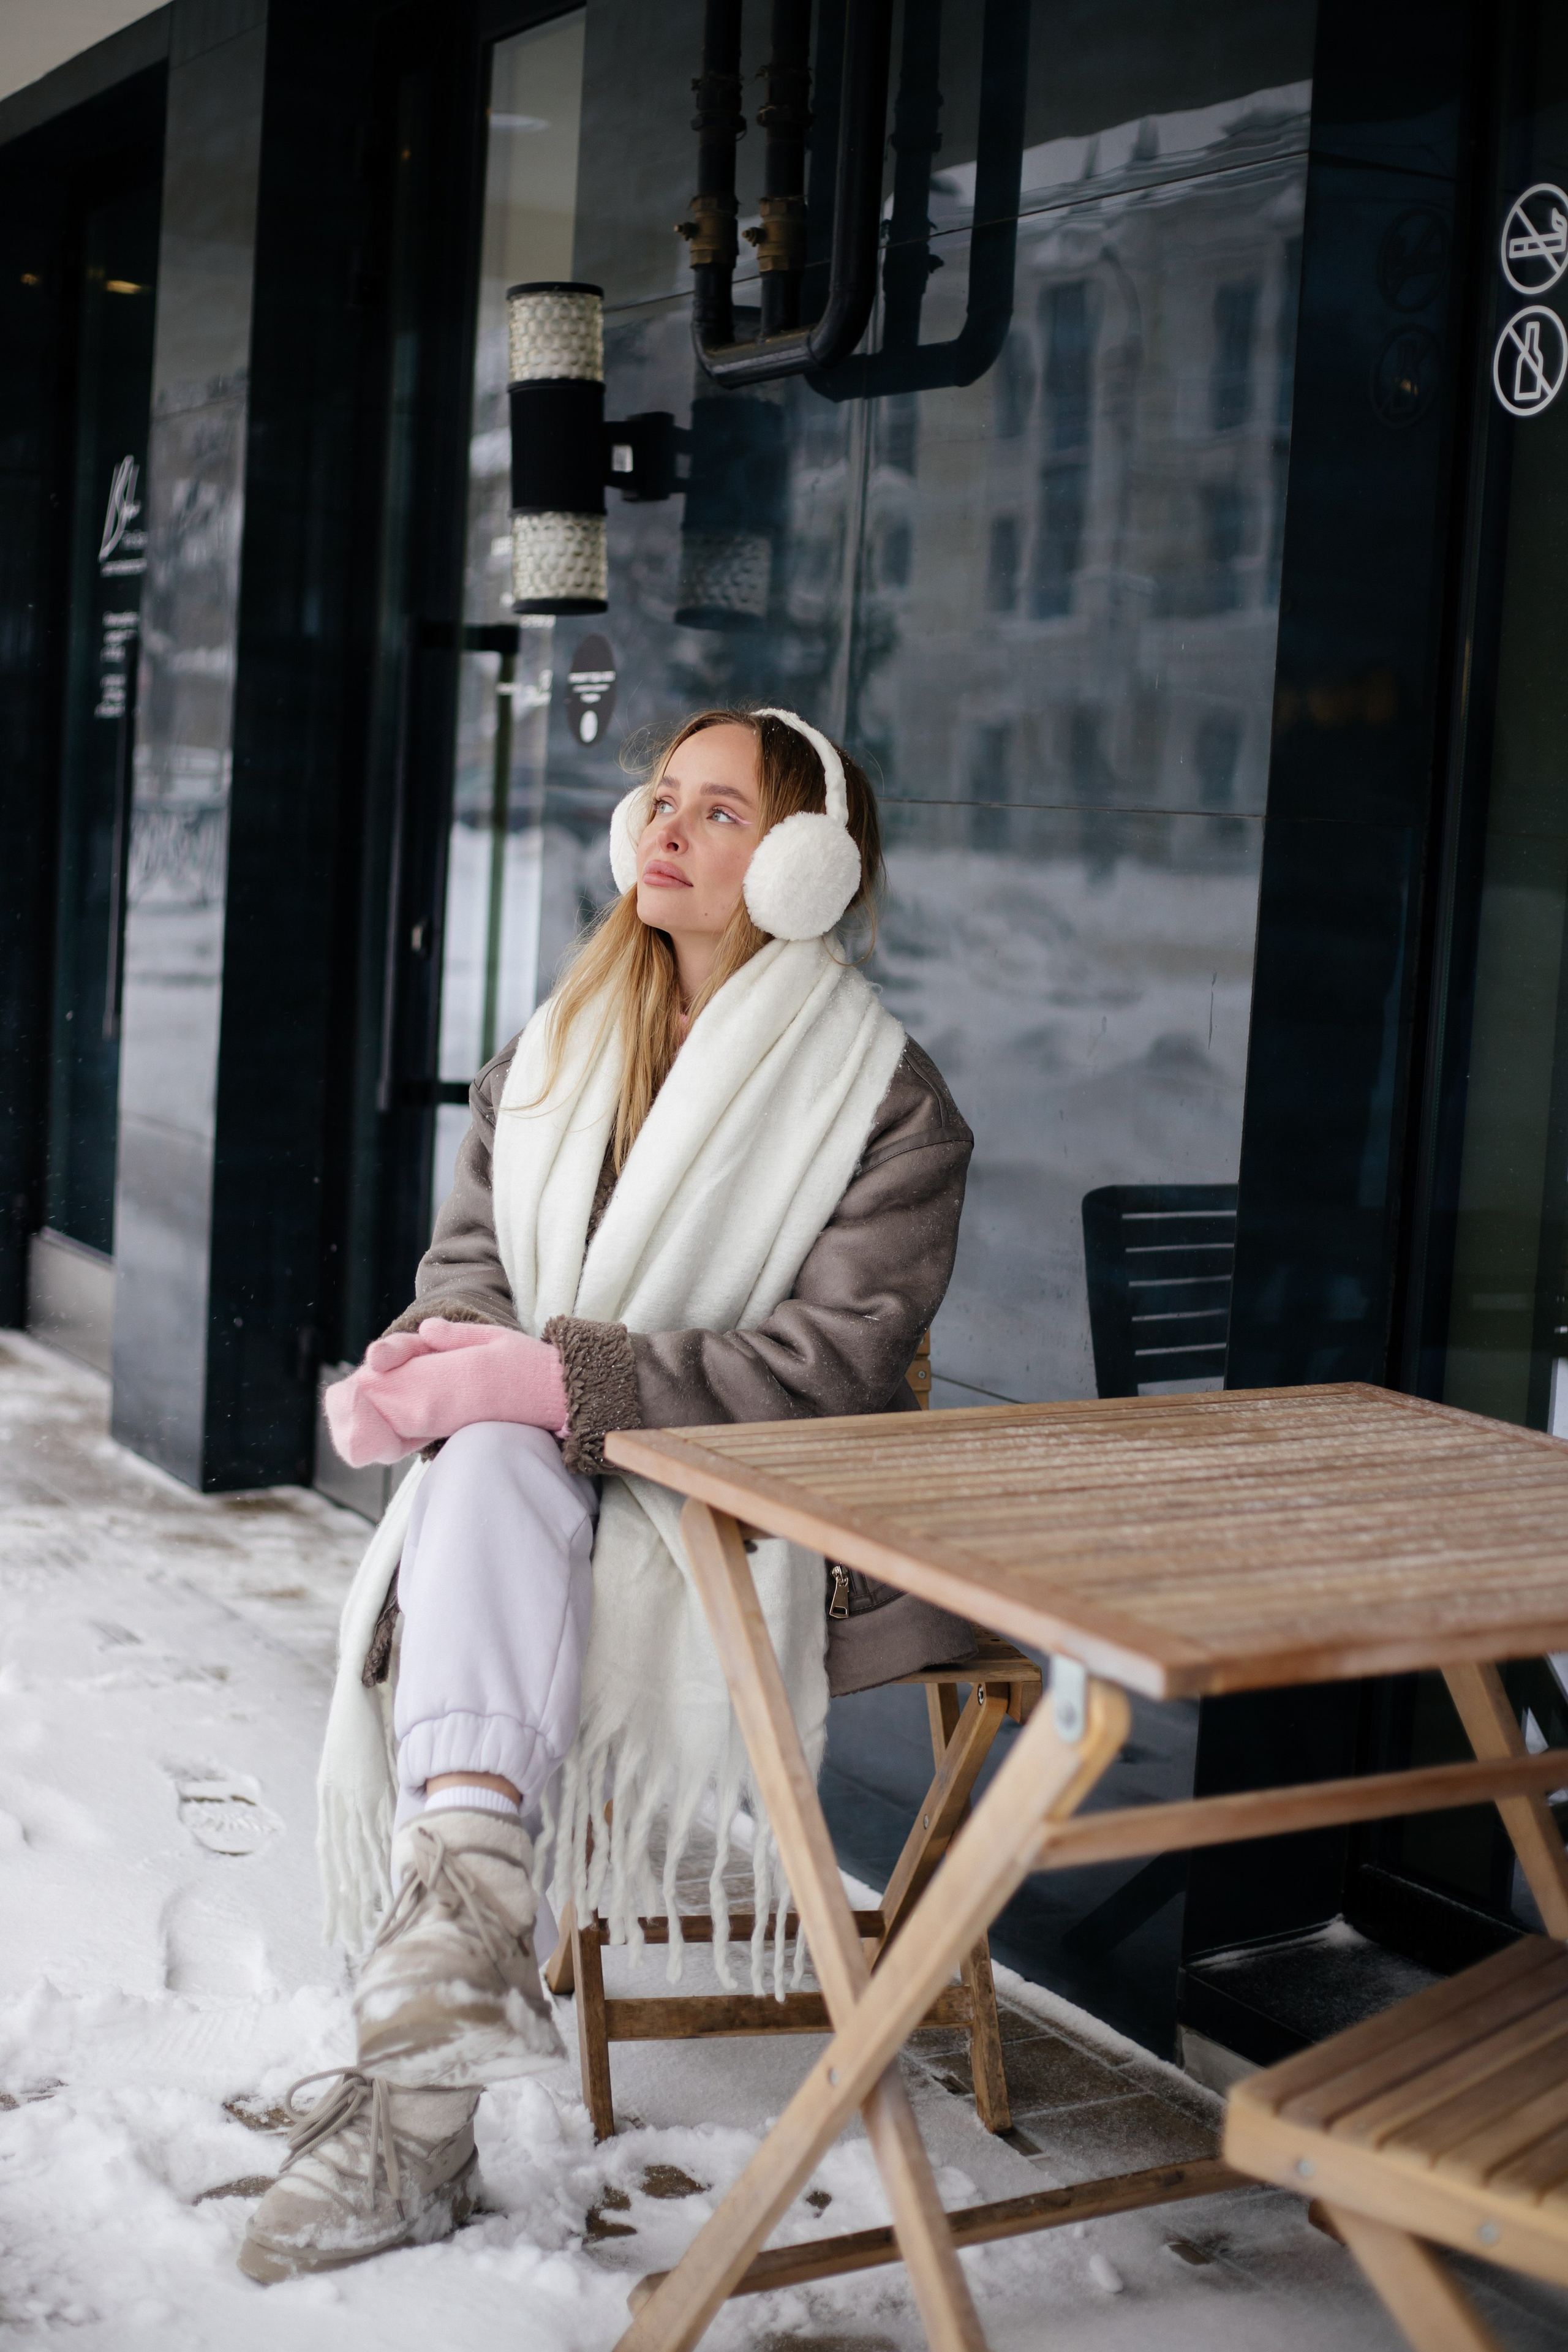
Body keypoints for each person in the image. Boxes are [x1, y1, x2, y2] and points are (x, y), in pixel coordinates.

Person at [238, 707, 974, 2283]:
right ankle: (459, 1958)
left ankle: (412, 2125)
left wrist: (569, 1385)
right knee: (490, 1463)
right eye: (662, 797)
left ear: (803, 865)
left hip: (748, 1506)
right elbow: (466, 1275)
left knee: (496, 1468)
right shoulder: (557, 1048)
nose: (668, 829)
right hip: (541, 1494)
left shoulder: (886, 1101)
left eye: (721, 814)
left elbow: (838, 1363)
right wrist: (448, 1366)